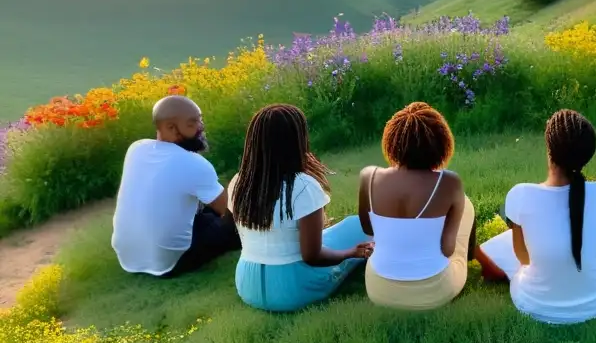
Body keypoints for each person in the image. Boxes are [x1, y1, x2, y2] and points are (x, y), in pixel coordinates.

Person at [476, 110, 596, 325]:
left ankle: (490, 269)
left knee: (501, 245)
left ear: (549, 149)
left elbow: (523, 258)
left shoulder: (520, 194)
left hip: (536, 303)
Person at [227, 104, 374, 312]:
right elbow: (312, 256)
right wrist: (350, 253)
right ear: (297, 140)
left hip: (247, 285)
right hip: (293, 288)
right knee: (358, 225)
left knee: (338, 230)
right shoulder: (302, 185)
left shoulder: (238, 182)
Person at [357, 102, 475, 310]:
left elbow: (368, 229)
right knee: (467, 205)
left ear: (392, 141)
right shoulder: (449, 183)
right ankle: (471, 257)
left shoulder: (369, 176)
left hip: (379, 290)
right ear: (441, 143)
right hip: (435, 291)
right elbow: (447, 249)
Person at [112, 95, 240, 277]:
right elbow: (231, 212)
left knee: (205, 214)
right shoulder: (193, 163)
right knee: (233, 227)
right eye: (192, 124)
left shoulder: (136, 149)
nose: (200, 128)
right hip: (171, 262)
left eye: (200, 120)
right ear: (170, 128)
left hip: (128, 257)